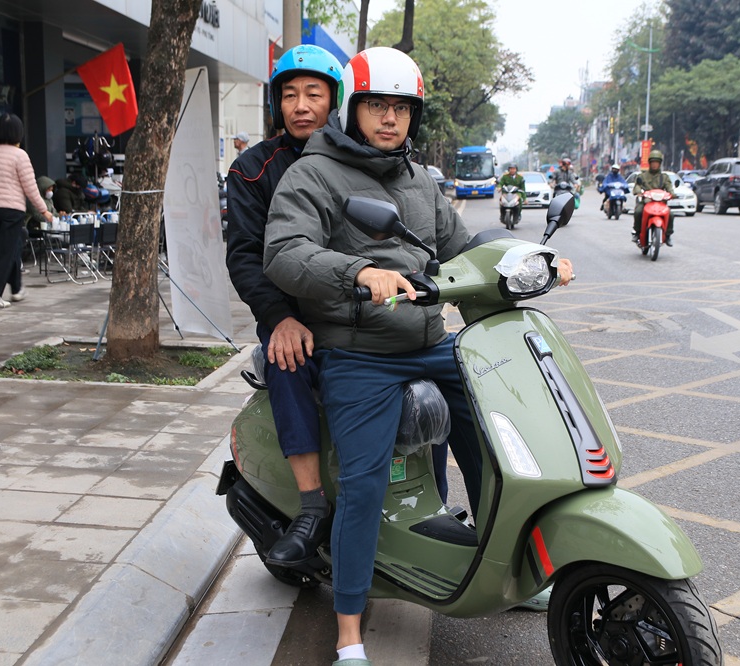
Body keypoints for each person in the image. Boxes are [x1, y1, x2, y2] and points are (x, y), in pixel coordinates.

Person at [264, 47, 574, 666]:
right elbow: (284, 252)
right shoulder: (313, 175)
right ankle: (349, 632)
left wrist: (529, 261)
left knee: (500, 436)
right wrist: (359, 272)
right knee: (363, 483)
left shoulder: (418, 180)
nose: (390, 119)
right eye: (377, 106)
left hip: (432, 343)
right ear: (352, 110)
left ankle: (506, 564)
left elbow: (462, 248)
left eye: (402, 108)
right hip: (361, 353)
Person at [225, 44, 345, 570]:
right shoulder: (253, 169)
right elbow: (244, 255)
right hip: (292, 315)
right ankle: (311, 505)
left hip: (357, 313)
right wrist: (279, 318)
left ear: (335, 101)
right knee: (287, 360)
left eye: (313, 94)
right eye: (290, 94)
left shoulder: (358, 159)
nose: (301, 105)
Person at [0, 113, 53, 308]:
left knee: (10, 246)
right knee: (4, 253)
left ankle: (16, 289)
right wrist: (44, 210)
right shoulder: (20, 155)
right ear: (18, 133)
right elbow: (30, 187)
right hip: (12, 211)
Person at [631, 149, 674, 246]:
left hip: (661, 203)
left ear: (660, 164)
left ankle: (668, 235)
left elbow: (669, 187)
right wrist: (638, 192)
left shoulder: (664, 177)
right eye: (653, 162)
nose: (655, 165)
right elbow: (637, 185)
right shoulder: (642, 176)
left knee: (670, 214)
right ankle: (637, 232)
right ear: (650, 163)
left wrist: (672, 194)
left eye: (657, 162)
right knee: (638, 212)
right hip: (646, 202)